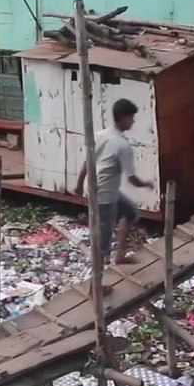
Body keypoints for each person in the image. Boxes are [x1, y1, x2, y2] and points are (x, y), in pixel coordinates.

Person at [75, 98, 151, 264]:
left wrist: (79, 184)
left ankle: (119, 256)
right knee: (104, 235)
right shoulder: (122, 145)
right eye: (131, 117)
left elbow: (88, 161)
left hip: (96, 188)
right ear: (122, 117)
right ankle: (99, 274)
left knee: (130, 212)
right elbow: (132, 179)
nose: (133, 121)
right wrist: (147, 184)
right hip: (106, 196)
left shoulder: (100, 135)